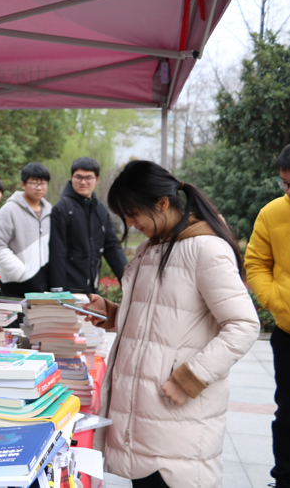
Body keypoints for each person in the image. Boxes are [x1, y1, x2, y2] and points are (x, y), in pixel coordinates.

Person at [83, 160, 259, 488]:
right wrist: (111, 313)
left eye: (133, 213)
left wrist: (191, 377)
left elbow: (243, 325)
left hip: (177, 417)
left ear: (163, 203)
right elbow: (158, 317)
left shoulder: (206, 249)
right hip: (145, 419)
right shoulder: (153, 248)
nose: (131, 223)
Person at [245, 145, 290, 488]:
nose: (289, 191)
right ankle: (284, 478)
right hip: (287, 333)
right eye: (285, 184)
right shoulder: (272, 213)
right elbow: (257, 263)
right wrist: (275, 300)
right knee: (286, 412)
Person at [48, 157, 127, 295]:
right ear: (71, 177)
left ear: (97, 179)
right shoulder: (62, 208)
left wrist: (127, 280)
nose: (83, 182)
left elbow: (112, 247)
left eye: (88, 177)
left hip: (92, 289)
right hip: (68, 290)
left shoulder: (100, 209)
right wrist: (57, 290)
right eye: (78, 177)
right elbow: (57, 252)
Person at [0, 162, 52, 298]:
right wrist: (21, 273)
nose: (39, 187)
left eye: (43, 183)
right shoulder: (10, 209)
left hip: (42, 285)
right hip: (15, 285)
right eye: (34, 183)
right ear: (23, 184)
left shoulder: (49, 211)